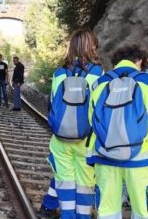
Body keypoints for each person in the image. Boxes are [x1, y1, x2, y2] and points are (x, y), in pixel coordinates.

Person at [87, 45, 148, 218]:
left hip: (104, 157)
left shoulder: (99, 84)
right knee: (142, 211)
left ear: (115, 63)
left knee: (107, 211)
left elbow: (91, 119)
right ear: (138, 61)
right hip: (141, 158)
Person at [41, 29, 103, 219]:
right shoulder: (98, 73)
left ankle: (67, 215)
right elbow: (99, 109)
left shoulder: (59, 73)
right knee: (85, 184)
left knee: (65, 182)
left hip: (61, 140)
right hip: (86, 141)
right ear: (91, 46)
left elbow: (51, 104)